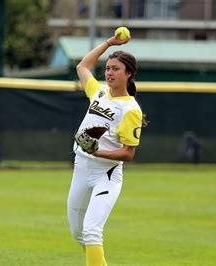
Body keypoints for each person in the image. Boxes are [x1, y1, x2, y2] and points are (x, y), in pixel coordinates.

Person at [67, 32, 145, 266]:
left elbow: (128, 154)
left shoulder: (131, 109)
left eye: (116, 69)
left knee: (91, 230)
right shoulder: (99, 92)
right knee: (77, 232)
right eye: (108, 68)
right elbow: (82, 66)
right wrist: (109, 43)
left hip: (106, 174)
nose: (109, 73)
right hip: (81, 167)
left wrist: (97, 152)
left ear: (129, 74)